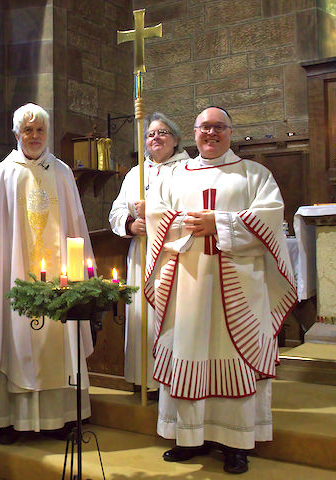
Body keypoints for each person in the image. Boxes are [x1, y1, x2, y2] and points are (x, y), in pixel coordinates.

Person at [145, 107, 296, 474]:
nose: (211, 134)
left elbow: (270, 217)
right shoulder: (175, 174)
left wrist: (221, 223)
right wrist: (191, 223)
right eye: (204, 127)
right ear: (194, 132)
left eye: (219, 127)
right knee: (187, 349)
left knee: (236, 355)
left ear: (230, 132)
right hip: (188, 284)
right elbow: (156, 215)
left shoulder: (254, 174)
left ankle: (236, 443)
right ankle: (188, 436)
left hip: (240, 288)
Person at [0, 103, 95, 444]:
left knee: (60, 340)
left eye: (40, 130)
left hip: (61, 280)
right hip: (14, 280)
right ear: (16, 134)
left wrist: (81, 277)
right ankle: (11, 421)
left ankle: (62, 418)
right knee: (14, 339)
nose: (34, 136)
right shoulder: (1, 175)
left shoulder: (62, 173)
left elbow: (76, 226)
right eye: (27, 130)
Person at [109, 112, 189, 394]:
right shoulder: (136, 173)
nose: (156, 138)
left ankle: (174, 381)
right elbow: (117, 211)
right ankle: (145, 382)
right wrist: (131, 225)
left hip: (175, 254)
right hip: (142, 255)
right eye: (150, 134)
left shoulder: (188, 170)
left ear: (176, 139)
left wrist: (154, 217)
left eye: (162, 132)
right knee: (143, 315)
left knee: (171, 316)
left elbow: (190, 212)